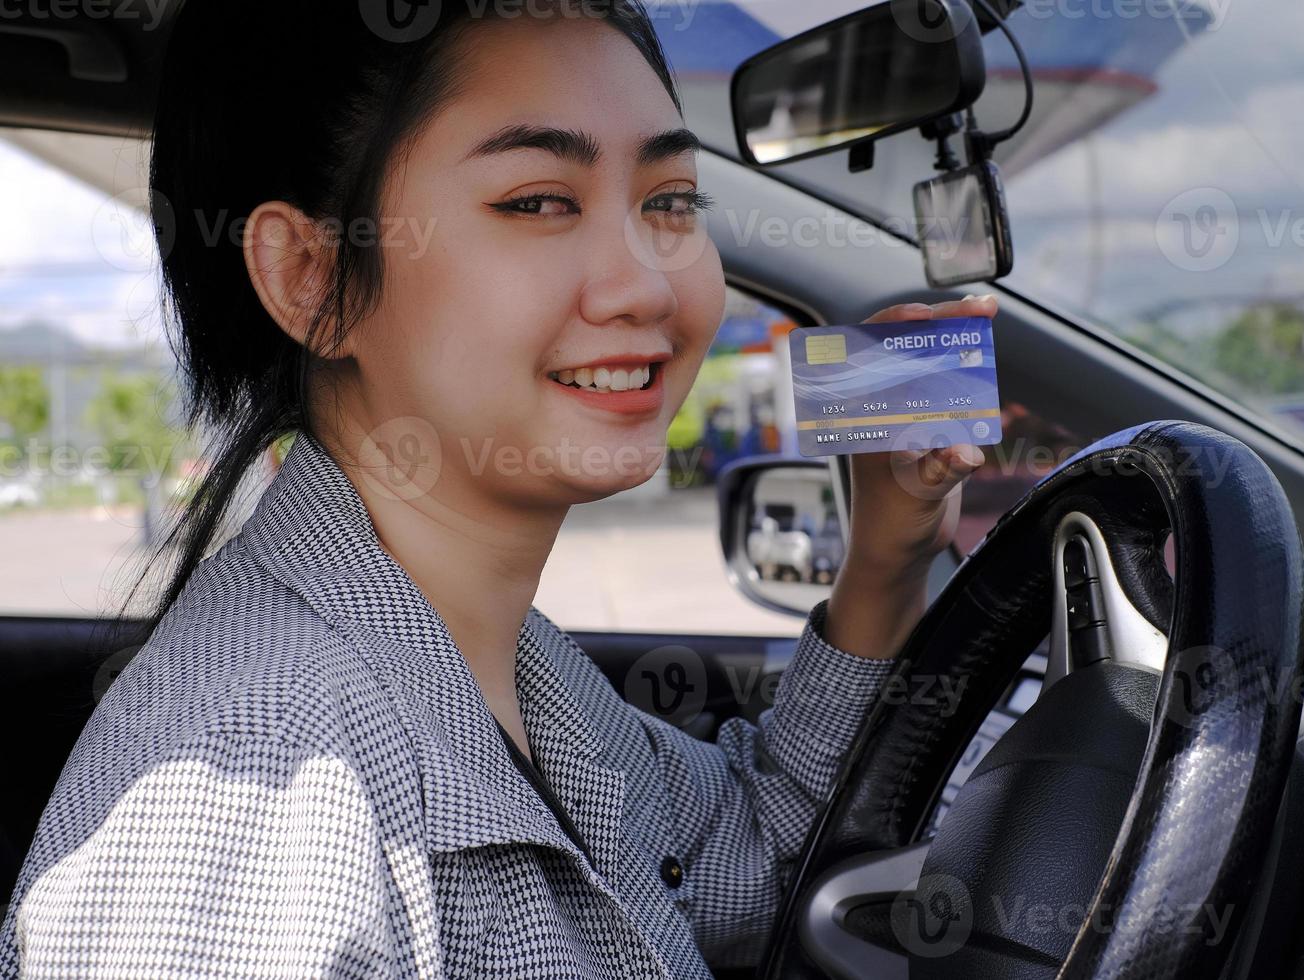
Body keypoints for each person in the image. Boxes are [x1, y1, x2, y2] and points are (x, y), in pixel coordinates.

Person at [0, 2, 995, 976]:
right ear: (309, 276)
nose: (645, 282)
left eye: (671, 200)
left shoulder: (505, 660)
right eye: (536, 202)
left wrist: (886, 554)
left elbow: (747, 855)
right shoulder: (263, 792)